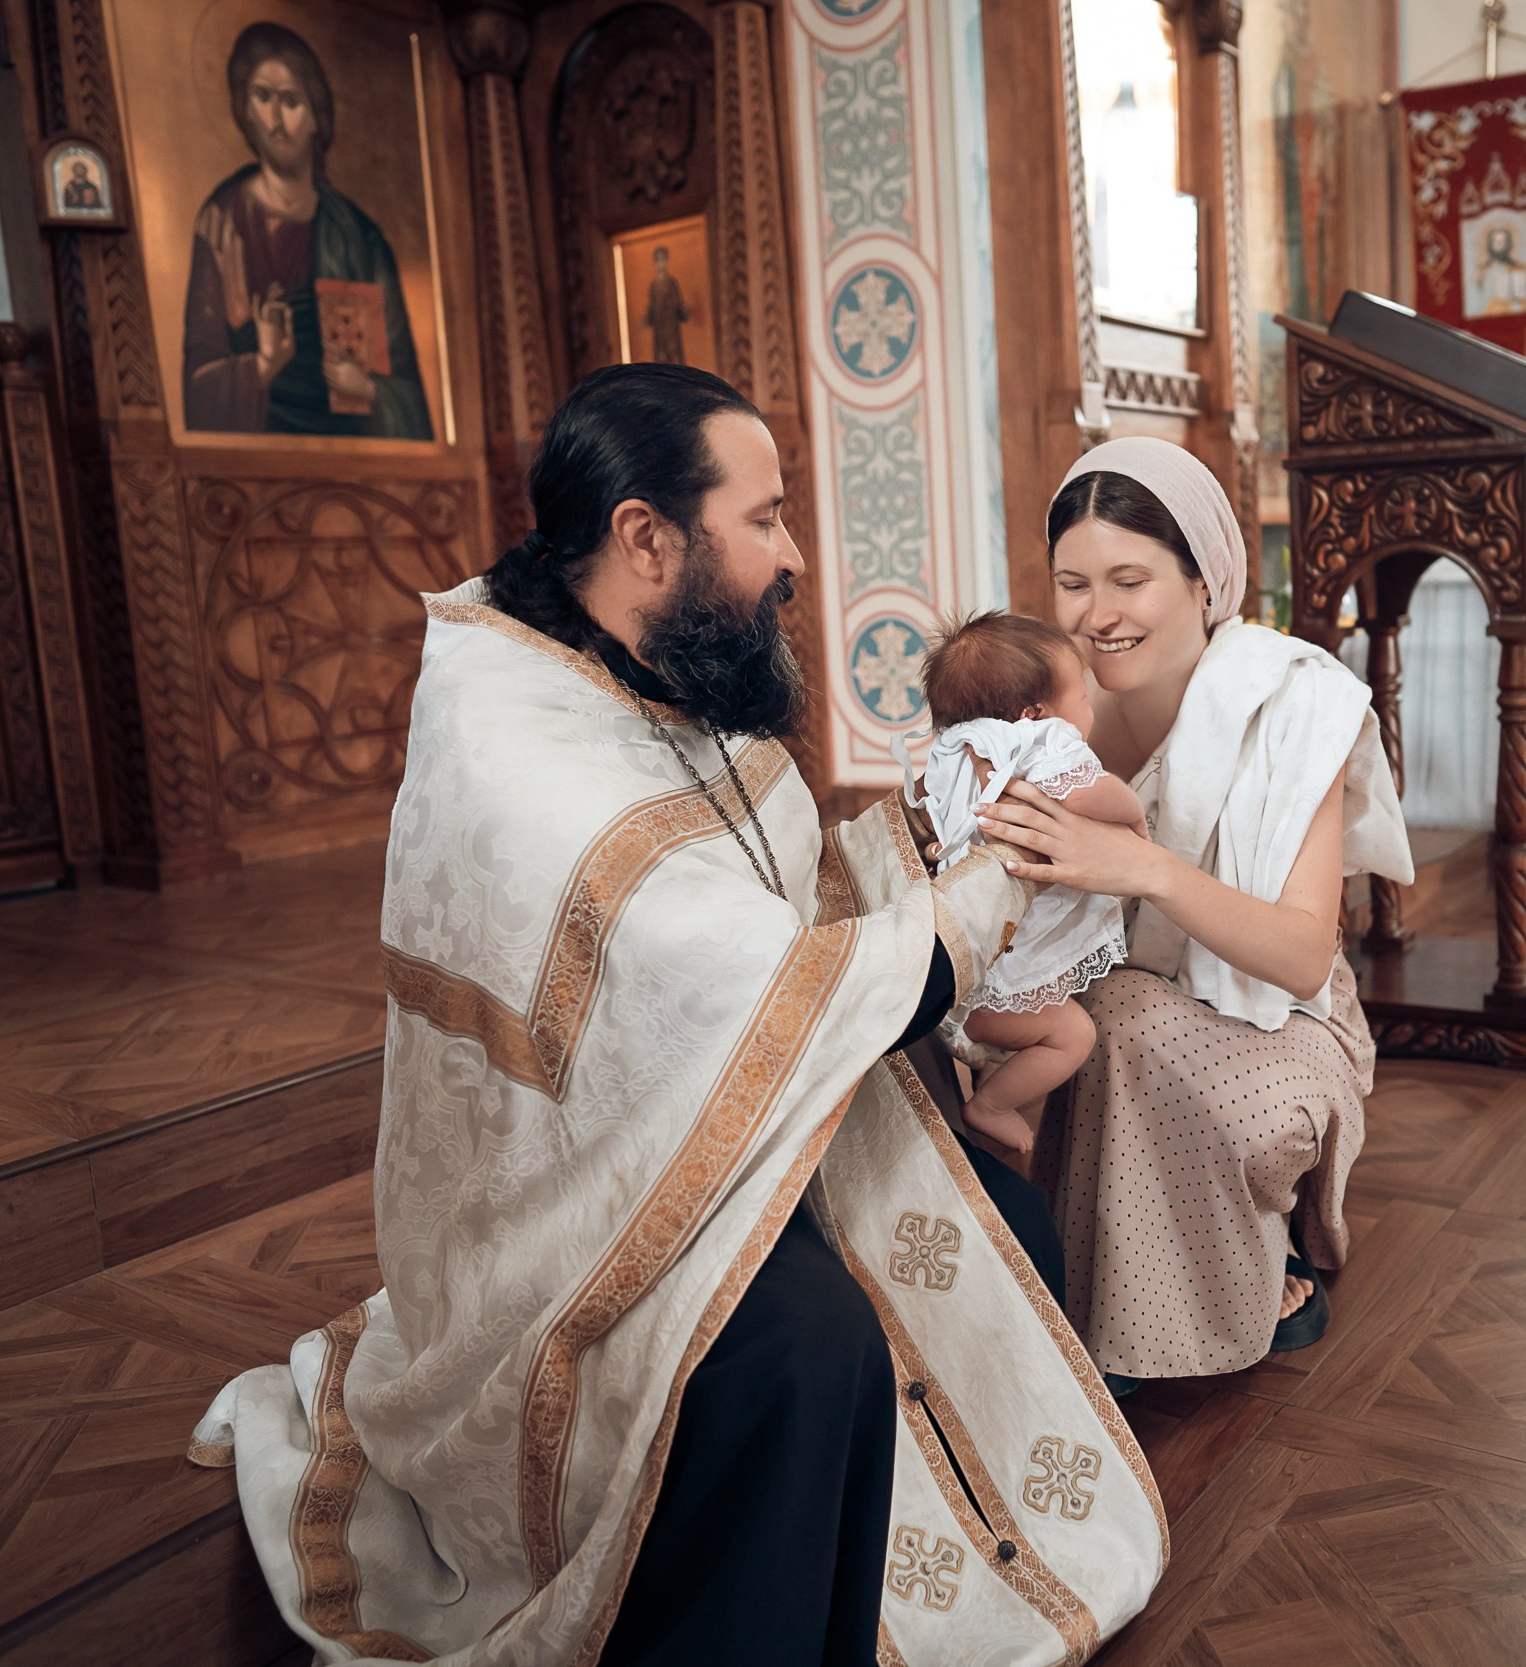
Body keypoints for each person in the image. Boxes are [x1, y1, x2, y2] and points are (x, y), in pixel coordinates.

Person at [190, 365, 1164, 1666]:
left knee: (1011, 1226)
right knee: (803, 1348)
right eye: (764, 518)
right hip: (564, 1219)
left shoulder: (650, 660)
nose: (795, 553)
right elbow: (761, 986)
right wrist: (999, 868)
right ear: (649, 536)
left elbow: (777, 899)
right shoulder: (522, 750)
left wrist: (925, 840)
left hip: (688, 1123)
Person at [971, 437, 1412, 1396]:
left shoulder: (1295, 706)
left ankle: (1151, 1326)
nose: (1098, 615)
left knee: (1118, 1021)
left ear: (1205, 581)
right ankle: (1044, 1283)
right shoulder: (1044, 715)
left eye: (1131, 579)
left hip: (1277, 1021)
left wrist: (1144, 868)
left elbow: (1301, 959)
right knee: (999, 1023)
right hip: (1094, 1003)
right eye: (1073, 583)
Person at [906, 612, 1146, 1158]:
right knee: (1074, 1036)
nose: (1087, 708)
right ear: (1034, 713)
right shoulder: (1040, 739)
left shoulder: (960, 748)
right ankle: (990, 1105)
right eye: (1081, 694)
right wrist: (1131, 808)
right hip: (996, 981)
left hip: (958, 962)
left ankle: (984, 1095)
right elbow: (1080, 793)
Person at [181, 23, 431, 437]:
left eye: (291, 101)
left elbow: (408, 393)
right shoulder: (222, 220)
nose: (275, 119)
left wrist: (367, 387)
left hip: (358, 455)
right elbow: (199, 384)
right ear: (244, 108)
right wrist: (261, 365)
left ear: (317, 116)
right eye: (262, 97)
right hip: (258, 460)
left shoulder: (357, 236)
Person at [645, 246, 688, 365]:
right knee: (661, 355)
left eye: (663, 260)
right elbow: (652, 307)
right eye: (658, 260)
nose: (661, 264)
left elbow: (679, 303)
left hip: (671, 327)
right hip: (659, 328)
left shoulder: (672, 282)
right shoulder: (654, 285)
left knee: (674, 354)